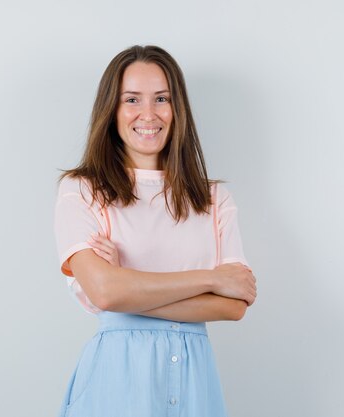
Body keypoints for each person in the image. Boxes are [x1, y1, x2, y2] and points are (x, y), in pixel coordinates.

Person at [53, 45, 256, 417]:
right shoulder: (81, 190)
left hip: (197, 383)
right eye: (132, 99)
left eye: (161, 98)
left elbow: (233, 305)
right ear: (111, 110)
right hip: (117, 381)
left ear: (177, 108)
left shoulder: (214, 199)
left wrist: (129, 287)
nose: (148, 114)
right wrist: (211, 279)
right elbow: (105, 291)